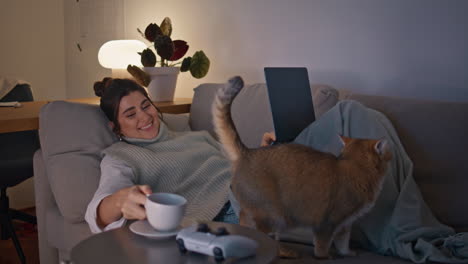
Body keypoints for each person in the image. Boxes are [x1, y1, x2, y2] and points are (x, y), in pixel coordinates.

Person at [85, 78, 273, 233]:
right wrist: (119, 201)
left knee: (299, 142)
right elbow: (96, 215)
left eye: (146, 106)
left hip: (251, 185)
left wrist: (263, 152)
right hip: (228, 211)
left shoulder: (196, 137)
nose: (145, 117)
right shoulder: (121, 157)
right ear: (114, 127)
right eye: (131, 114)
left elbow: (241, 163)